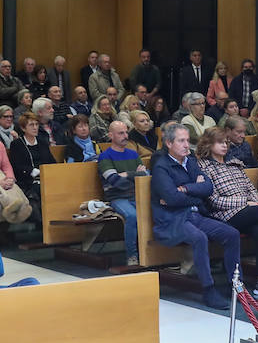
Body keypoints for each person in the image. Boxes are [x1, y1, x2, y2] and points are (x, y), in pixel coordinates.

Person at [151, 123, 238, 309]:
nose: (186, 145)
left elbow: (208, 187)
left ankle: (235, 284)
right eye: (181, 141)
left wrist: (186, 189)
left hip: (195, 215)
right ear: (168, 143)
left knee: (231, 234)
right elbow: (172, 199)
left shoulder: (190, 161)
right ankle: (209, 290)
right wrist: (194, 193)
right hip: (172, 220)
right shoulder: (161, 168)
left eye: (188, 140)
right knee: (199, 238)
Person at [196, 127, 258, 298]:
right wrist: (248, 203)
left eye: (226, 142)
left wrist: (257, 202)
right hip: (223, 215)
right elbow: (214, 201)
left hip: (249, 210)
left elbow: (250, 188)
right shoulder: (204, 168)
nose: (225, 146)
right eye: (220, 142)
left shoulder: (234, 164)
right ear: (209, 144)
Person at [97, 120, 147, 266]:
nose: (125, 136)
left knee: (156, 211)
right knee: (132, 216)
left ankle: (151, 253)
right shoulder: (105, 156)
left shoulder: (133, 154)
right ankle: (132, 256)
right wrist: (134, 176)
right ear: (111, 135)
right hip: (117, 197)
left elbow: (145, 175)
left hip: (137, 195)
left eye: (126, 132)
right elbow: (114, 181)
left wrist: (126, 174)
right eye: (121, 133)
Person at [8, 111, 54, 221]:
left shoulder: (43, 142)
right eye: (31, 125)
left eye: (36, 124)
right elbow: (16, 166)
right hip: (28, 181)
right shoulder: (17, 144)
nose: (35, 128)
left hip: (46, 178)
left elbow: (52, 161)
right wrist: (32, 171)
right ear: (23, 128)